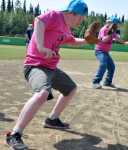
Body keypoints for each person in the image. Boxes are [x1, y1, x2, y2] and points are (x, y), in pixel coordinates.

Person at [6, 0, 88, 149]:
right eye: (81, 17)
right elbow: (39, 21)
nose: (82, 21)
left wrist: (88, 40)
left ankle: (52, 119)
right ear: (72, 13)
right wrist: (40, 46)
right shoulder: (55, 16)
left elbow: (72, 41)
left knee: (71, 89)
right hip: (35, 65)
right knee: (42, 94)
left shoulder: (66, 28)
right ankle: (14, 134)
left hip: (51, 68)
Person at [92, 16, 128, 89]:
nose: (117, 26)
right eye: (116, 24)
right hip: (99, 51)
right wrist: (110, 34)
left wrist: (124, 42)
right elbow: (103, 40)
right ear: (112, 23)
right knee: (103, 64)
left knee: (111, 67)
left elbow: (117, 38)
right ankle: (95, 82)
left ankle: (107, 82)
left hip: (105, 52)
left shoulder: (113, 31)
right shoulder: (103, 29)